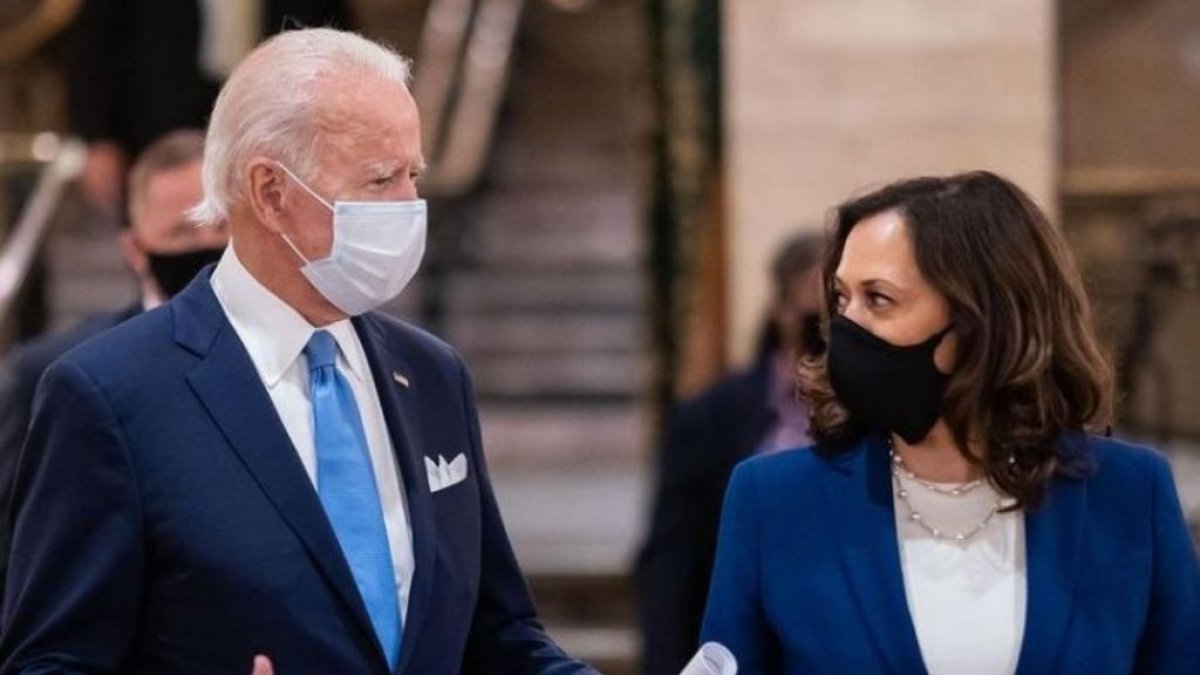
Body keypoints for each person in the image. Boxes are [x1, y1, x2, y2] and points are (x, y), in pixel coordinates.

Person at [0, 28, 597, 675]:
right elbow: (52, 663)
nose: (409, 205)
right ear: (270, 193)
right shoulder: (110, 394)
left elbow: (499, 635)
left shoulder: (431, 374)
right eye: (379, 179)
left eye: (412, 174)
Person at [701, 171, 1200, 674]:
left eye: (878, 298)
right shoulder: (774, 501)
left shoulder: (1129, 494)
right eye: (841, 298)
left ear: (979, 319)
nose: (848, 326)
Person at [0, 129, 224, 508]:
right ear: (135, 250)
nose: (206, 245)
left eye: (221, 225)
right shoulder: (54, 372)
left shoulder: (297, 348)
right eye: (182, 232)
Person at [635, 234, 824, 675]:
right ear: (781, 310)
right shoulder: (711, 417)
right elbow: (672, 559)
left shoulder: (883, 418)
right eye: (815, 310)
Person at [65, 0, 353, 213]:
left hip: (272, 114)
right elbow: (92, 46)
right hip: (161, 116)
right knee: (173, 240)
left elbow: (334, 36)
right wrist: (97, 137)